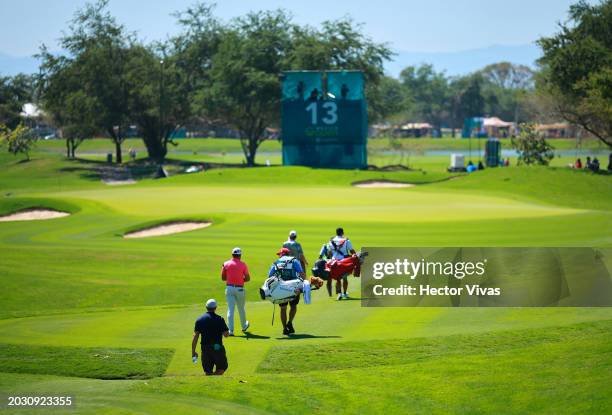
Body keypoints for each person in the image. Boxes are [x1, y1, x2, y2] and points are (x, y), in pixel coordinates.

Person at [269, 247, 305, 335]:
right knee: (293, 306)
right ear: (288, 254)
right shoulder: (294, 261)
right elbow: (301, 273)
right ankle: (290, 322)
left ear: (281, 254)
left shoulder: (276, 263)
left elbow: (270, 276)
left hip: (281, 288)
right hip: (294, 287)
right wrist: (303, 284)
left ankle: (285, 328)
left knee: (283, 309)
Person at [192, 299, 230, 376]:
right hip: (217, 347)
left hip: (205, 348)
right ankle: (214, 377)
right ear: (215, 308)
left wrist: (193, 351)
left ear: (206, 307)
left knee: (208, 371)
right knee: (222, 367)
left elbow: (195, 336)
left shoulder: (199, 320)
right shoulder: (220, 319)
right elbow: (226, 335)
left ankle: (211, 379)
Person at [319, 227, 356, 300]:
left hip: (334, 262)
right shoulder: (346, 241)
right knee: (345, 278)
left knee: (338, 278)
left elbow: (329, 253)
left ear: (336, 233)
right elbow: (352, 251)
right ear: (342, 233)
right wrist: (355, 256)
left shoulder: (331, 241)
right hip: (344, 262)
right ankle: (345, 293)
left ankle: (339, 294)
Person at [221, 247, 250, 335]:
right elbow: (248, 278)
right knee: (241, 308)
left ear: (232, 255)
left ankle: (231, 331)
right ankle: (244, 326)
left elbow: (223, 278)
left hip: (229, 288)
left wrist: (231, 279)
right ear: (240, 255)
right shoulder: (243, 264)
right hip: (240, 289)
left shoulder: (225, 264)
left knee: (230, 309)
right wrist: (241, 280)